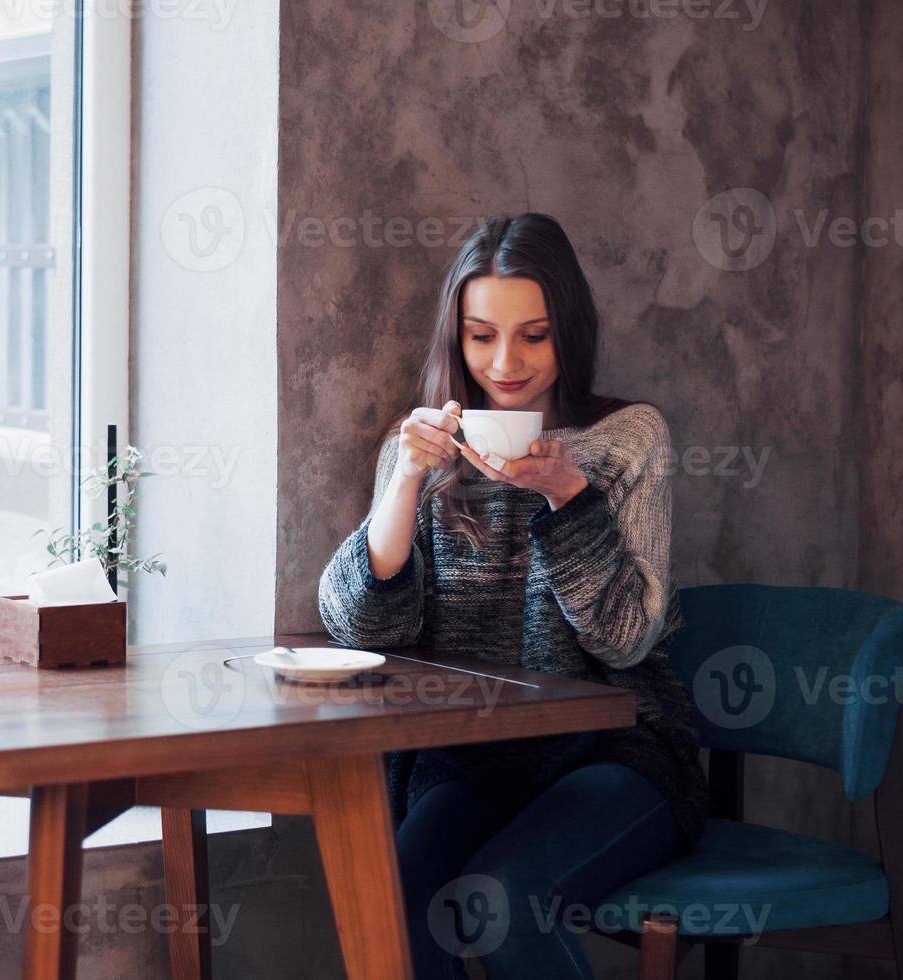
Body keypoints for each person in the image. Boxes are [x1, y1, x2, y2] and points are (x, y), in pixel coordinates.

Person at [316, 213, 708, 978]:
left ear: (570, 330)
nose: (505, 362)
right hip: (472, 762)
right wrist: (405, 479)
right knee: (392, 898)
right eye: (480, 334)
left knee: (503, 897)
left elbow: (626, 637)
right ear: (455, 338)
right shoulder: (420, 447)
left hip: (616, 756)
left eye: (534, 334)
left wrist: (570, 500)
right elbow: (361, 626)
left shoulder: (628, 439)